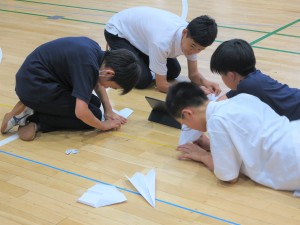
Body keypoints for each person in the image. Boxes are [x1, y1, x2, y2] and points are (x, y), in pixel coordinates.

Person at [166, 82, 300, 191]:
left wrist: (203, 156)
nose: (191, 128)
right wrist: (212, 145)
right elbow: (249, 140)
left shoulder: (216, 120)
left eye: (186, 124)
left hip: (292, 159)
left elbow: (229, 176)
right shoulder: (243, 97)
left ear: (188, 114)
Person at [1, 36, 141, 141]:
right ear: (109, 73)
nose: (106, 87)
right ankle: (34, 119)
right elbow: (81, 112)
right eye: (111, 86)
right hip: (34, 88)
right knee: (93, 116)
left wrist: (108, 110)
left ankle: (31, 108)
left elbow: (98, 83)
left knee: (95, 103)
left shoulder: (94, 52)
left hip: (37, 82)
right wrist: (104, 125)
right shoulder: (88, 66)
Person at [104, 6, 221, 94]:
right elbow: (162, 86)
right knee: (143, 80)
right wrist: (192, 92)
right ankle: (114, 53)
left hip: (141, 37)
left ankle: (138, 55)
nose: (194, 52)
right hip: (118, 32)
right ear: (185, 33)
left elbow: (194, 74)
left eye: (200, 49)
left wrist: (206, 82)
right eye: (193, 46)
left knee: (173, 71)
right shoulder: (162, 41)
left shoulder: (194, 38)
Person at [210, 38, 300, 121]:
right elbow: (225, 99)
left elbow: (223, 110)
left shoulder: (247, 87)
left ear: (231, 75)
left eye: (221, 74)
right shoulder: (251, 79)